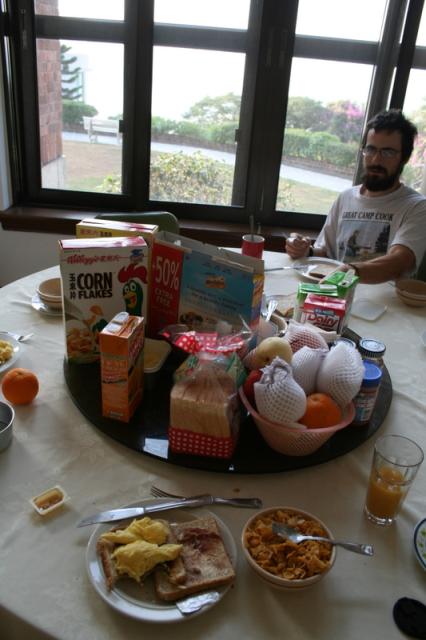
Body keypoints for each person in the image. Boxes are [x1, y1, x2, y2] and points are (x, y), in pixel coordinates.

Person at [285, 109, 426, 284]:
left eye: (387, 152)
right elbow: (325, 252)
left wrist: (350, 271)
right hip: (335, 296)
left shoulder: (417, 207)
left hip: (383, 308)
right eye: (370, 149)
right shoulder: (345, 197)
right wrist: (304, 250)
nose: (375, 160)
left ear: (404, 158)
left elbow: (400, 262)